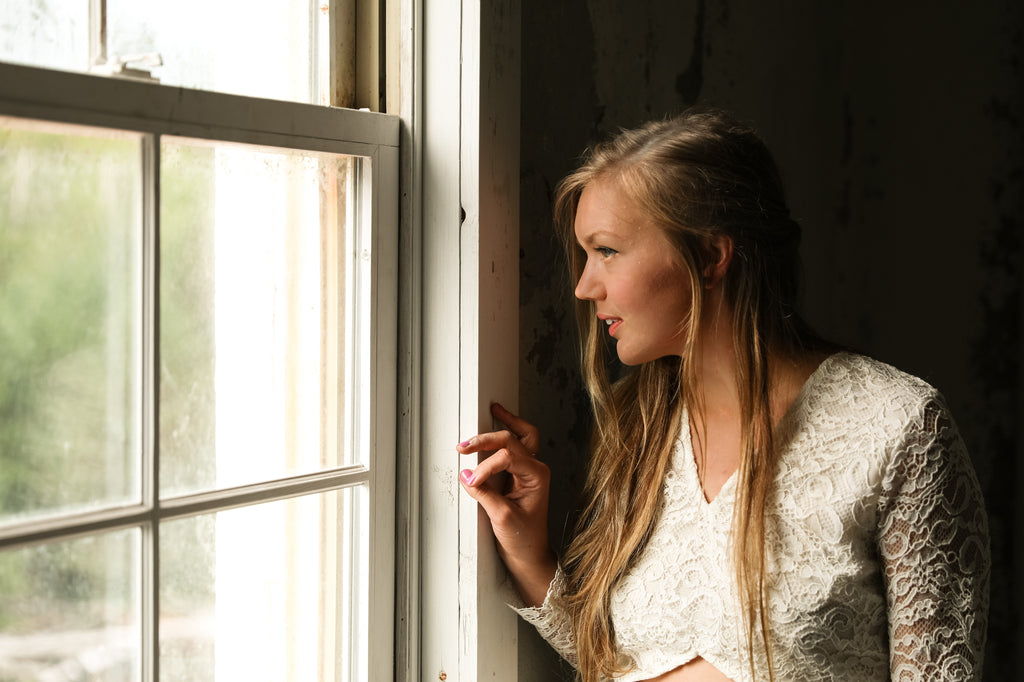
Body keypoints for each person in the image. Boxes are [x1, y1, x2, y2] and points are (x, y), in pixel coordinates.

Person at [456, 109, 990, 682]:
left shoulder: (897, 425)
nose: (585, 286)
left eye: (607, 250)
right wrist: (528, 552)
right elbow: (617, 662)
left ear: (711, 256)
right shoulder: (640, 426)